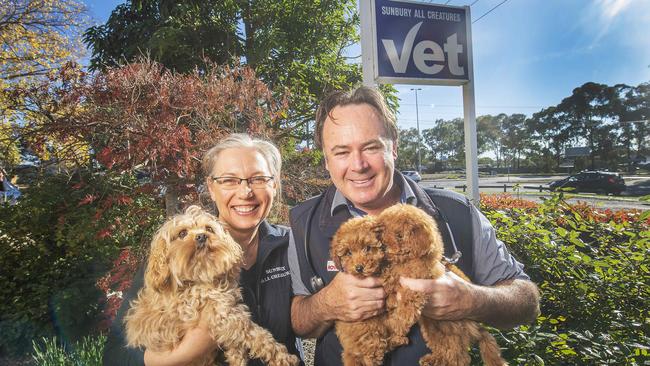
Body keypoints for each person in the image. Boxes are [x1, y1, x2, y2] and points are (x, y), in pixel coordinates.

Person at [287, 86, 540, 365]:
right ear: (326, 159)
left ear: (393, 147)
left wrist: (471, 299)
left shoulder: (457, 212)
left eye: (371, 147)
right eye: (341, 152)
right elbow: (300, 323)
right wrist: (327, 303)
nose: (358, 165)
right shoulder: (302, 221)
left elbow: (527, 301)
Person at [103, 133, 303, 366]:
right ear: (211, 187)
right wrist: (182, 354)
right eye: (229, 180)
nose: (245, 192)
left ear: (274, 184)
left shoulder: (293, 243)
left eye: (258, 179)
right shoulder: (171, 259)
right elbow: (115, 356)